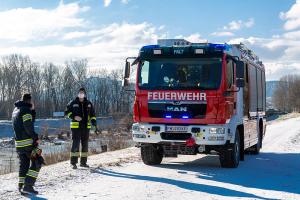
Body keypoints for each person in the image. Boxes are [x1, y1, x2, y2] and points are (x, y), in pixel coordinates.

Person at [12, 93, 41, 194]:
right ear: (30, 101)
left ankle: (20, 187)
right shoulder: (26, 110)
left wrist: (32, 111)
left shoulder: (16, 110)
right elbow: (28, 126)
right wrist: (36, 137)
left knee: (24, 165)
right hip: (28, 144)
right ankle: (28, 185)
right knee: (38, 161)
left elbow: (28, 122)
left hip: (19, 144)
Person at [65, 87, 97, 169]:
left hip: (86, 127)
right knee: (75, 144)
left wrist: (94, 123)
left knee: (85, 145)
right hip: (76, 127)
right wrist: (74, 117)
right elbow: (66, 113)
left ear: (85, 94)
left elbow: (93, 115)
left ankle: (83, 162)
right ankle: (73, 163)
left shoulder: (89, 103)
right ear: (78, 93)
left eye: (82, 92)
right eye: (80, 92)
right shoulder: (72, 103)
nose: (81, 94)